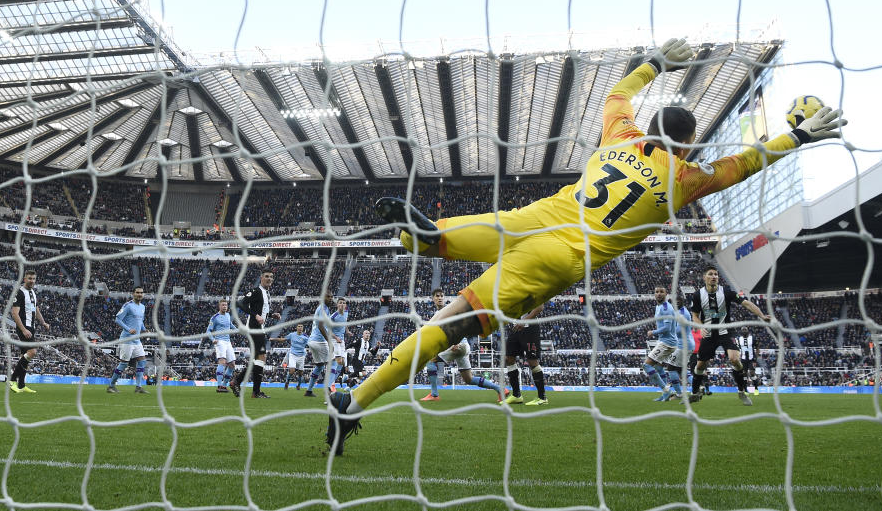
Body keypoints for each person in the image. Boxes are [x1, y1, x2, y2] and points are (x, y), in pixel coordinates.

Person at [325, 37, 847, 452]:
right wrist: (796, 137)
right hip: (561, 255)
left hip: (533, 216)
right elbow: (747, 162)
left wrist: (655, 63)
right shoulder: (687, 178)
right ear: (685, 144)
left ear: (649, 129)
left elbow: (615, 96)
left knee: (434, 242)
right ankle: (355, 401)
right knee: (452, 324)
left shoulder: (619, 137)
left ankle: (420, 235)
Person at [688, 266, 770, 405]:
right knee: (700, 365)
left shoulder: (726, 292)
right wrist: (700, 326)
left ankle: (741, 392)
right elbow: (694, 316)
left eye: (716, 274)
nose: (714, 276)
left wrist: (761, 315)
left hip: (726, 331)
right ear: (704, 278)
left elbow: (747, 304)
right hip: (709, 333)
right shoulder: (697, 295)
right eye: (710, 274)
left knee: (734, 359)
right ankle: (694, 393)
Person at [422, 288, 505, 402]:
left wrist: (455, 342)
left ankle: (434, 394)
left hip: (459, 345)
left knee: (430, 361)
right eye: (437, 296)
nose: (440, 298)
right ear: (433, 299)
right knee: (469, 379)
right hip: (463, 346)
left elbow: (461, 326)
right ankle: (500, 389)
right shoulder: (438, 314)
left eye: (441, 295)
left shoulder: (448, 311)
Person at [229, 269, 280, 399]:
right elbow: (240, 303)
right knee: (261, 357)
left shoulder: (266, 294)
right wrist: (255, 315)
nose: (269, 279)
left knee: (258, 359)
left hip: (259, 328)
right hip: (253, 328)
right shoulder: (256, 291)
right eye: (267, 276)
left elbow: (261, 310)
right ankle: (251, 389)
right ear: (261, 278)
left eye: (271, 277)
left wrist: (271, 315)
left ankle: (243, 385)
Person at [9, 270, 50, 394]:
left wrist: (43, 322)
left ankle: (21, 385)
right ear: (24, 279)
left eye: (33, 278)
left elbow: (36, 309)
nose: (32, 281)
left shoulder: (32, 292)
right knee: (32, 352)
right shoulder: (20, 292)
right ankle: (11, 380)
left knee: (24, 357)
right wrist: (23, 329)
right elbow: (14, 313)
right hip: (24, 327)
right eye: (29, 278)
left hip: (31, 327)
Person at [501, 303, 546, 405]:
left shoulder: (533, 287)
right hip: (516, 327)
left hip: (530, 327)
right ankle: (516, 395)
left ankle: (542, 397)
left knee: (532, 361)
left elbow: (540, 307)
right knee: (508, 358)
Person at [107, 286, 148, 394]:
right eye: (137, 292)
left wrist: (144, 330)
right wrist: (129, 329)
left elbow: (140, 321)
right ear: (133, 294)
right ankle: (111, 386)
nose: (140, 294)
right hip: (127, 339)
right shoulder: (128, 306)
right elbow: (117, 319)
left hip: (137, 340)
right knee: (124, 364)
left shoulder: (143, 307)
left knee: (142, 361)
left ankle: (138, 387)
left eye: (141, 292)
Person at [645, 286, 678, 402]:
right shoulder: (658, 306)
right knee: (658, 367)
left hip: (667, 343)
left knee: (647, 365)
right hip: (664, 341)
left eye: (661, 292)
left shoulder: (665, 308)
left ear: (666, 294)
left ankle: (667, 391)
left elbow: (667, 328)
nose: (659, 294)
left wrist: (653, 332)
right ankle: (665, 395)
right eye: (656, 292)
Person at [661, 293, 693, 401]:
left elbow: (679, 331)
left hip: (682, 345)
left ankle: (679, 394)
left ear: (683, 302)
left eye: (679, 301)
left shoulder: (683, 314)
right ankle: (698, 387)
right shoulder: (678, 312)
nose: (677, 302)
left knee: (670, 368)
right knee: (681, 369)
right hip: (685, 344)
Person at [303, 292, 335, 397]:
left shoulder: (322, 308)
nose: (330, 298)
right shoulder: (324, 308)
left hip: (312, 341)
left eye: (331, 297)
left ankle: (309, 390)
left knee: (320, 366)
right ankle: (329, 391)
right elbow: (321, 326)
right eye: (328, 296)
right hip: (319, 341)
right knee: (334, 361)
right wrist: (329, 342)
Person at [206, 299, 236, 393]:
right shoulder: (215, 317)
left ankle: (224, 386)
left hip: (228, 342)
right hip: (220, 341)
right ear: (219, 306)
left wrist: (239, 330)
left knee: (232, 365)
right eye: (223, 305)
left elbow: (230, 325)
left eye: (226, 305)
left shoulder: (228, 315)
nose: (224, 306)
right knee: (222, 362)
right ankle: (219, 385)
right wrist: (213, 339)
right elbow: (208, 331)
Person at [271, 323, 309, 390]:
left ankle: (298, 385)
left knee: (300, 373)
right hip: (293, 354)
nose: (300, 328)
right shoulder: (292, 335)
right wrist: (274, 339)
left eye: (301, 326)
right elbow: (283, 339)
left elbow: (311, 343)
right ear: (296, 328)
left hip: (301, 356)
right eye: (299, 326)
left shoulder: (305, 337)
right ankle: (287, 383)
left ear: (303, 328)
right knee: (292, 371)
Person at [326, 297, 349, 392]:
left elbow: (345, 322)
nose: (342, 304)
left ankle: (332, 380)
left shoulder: (346, 313)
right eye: (340, 303)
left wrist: (347, 331)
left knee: (343, 363)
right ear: (337, 305)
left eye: (344, 303)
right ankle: (330, 383)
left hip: (342, 340)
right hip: (334, 340)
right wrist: (336, 338)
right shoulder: (333, 316)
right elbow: (327, 330)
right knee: (339, 361)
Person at [736, 327, 761, 395]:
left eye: (745, 330)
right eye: (743, 330)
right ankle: (746, 390)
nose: (744, 331)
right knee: (744, 375)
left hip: (751, 359)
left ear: (748, 331)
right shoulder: (738, 339)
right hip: (743, 359)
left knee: (752, 373)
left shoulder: (752, 338)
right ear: (741, 331)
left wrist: (756, 358)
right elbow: (738, 349)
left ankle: (756, 389)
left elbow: (757, 348)